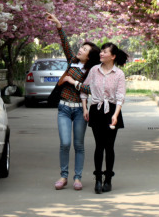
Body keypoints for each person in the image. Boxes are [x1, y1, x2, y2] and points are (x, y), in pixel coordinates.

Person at [46, 13, 99, 191]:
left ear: (89, 57)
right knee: (65, 143)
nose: (80, 50)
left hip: (79, 110)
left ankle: (77, 177)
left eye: (84, 50)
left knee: (78, 145)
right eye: (81, 47)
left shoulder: (92, 72)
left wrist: (73, 82)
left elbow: (91, 91)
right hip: (63, 108)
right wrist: (59, 25)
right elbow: (65, 44)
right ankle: (63, 176)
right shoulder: (72, 62)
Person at [79, 42, 128, 193]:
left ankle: (108, 179)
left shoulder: (119, 74)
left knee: (109, 146)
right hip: (97, 109)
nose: (101, 53)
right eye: (101, 51)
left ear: (112, 56)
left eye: (105, 52)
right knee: (99, 145)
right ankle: (98, 180)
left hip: (112, 110)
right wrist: (85, 107)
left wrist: (115, 114)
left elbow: (120, 97)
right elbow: (84, 88)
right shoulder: (94, 70)